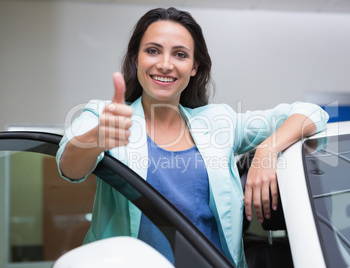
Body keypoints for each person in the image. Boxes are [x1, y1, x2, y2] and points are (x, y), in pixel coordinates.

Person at [56, 7, 328, 268]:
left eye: (180, 55)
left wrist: (267, 151)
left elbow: (311, 114)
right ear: (136, 59)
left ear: (195, 67)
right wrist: (98, 138)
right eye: (152, 51)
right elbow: (69, 166)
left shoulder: (218, 122)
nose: (165, 65)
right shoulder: (106, 116)